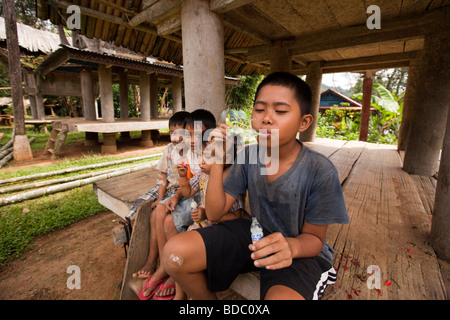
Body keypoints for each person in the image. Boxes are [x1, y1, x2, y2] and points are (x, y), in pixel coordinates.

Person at [162, 72, 350, 300]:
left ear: (304, 122)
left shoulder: (320, 170)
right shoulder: (248, 156)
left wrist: (291, 247)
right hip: (255, 234)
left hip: (300, 251)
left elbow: (314, 239)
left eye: (280, 111)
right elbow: (213, 212)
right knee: (175, 254)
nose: (266, 118)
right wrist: (218, 161)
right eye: (259, 109)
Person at [137, 109, 217, 300]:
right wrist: (178, 189)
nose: (190, 140)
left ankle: (172, 270)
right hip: (192, 195)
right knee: (159, 214)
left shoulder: (214, 157)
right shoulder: (191, 155)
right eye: (188, 135)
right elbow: (190, 186)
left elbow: (206, 190)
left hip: (207, 205)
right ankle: (166, 266)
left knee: (169, 222)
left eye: (195, 135)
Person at [130, 110, 189, 281]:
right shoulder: (169, 149)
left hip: (181, 191)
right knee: (142, 211)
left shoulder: (191, 152)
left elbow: (190, 183)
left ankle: (157, 263)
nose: (176, 137)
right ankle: (149, 258)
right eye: (172, 133)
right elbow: (163, 177)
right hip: (167, 189)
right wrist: (159, 198)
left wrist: (166, 200)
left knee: (157, 215)